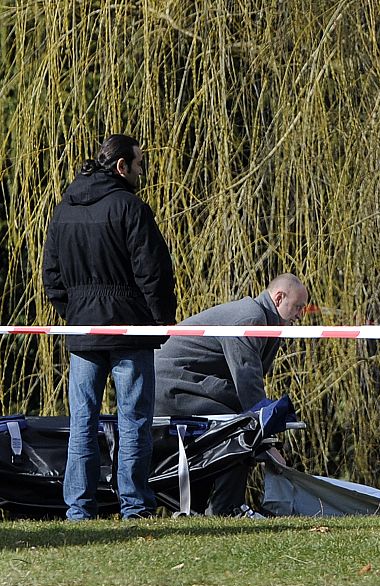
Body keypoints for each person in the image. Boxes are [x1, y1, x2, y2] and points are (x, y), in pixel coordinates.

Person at [43, 134, 177, 520]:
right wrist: (160, 321)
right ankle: (134, 507)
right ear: (121, 166)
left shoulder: (63, 210)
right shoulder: (130, 208)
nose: (141, 172)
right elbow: (153, 272)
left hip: (83, 332)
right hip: (129, 330)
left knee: (82, 421)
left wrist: (76, 312)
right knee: (133, 419)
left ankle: (78, 510)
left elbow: (52, 276)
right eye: (138, 164)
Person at [154, 273, 308, 515]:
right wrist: (264, 439)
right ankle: (227, 508)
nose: (301, 315)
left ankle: (208, 506)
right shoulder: (251, 319)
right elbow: (247, 380)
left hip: (188, 382)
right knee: (239, 427)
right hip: (170, 385)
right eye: (298, 307)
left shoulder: (264, 320)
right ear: (279, 298)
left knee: (241, 421)